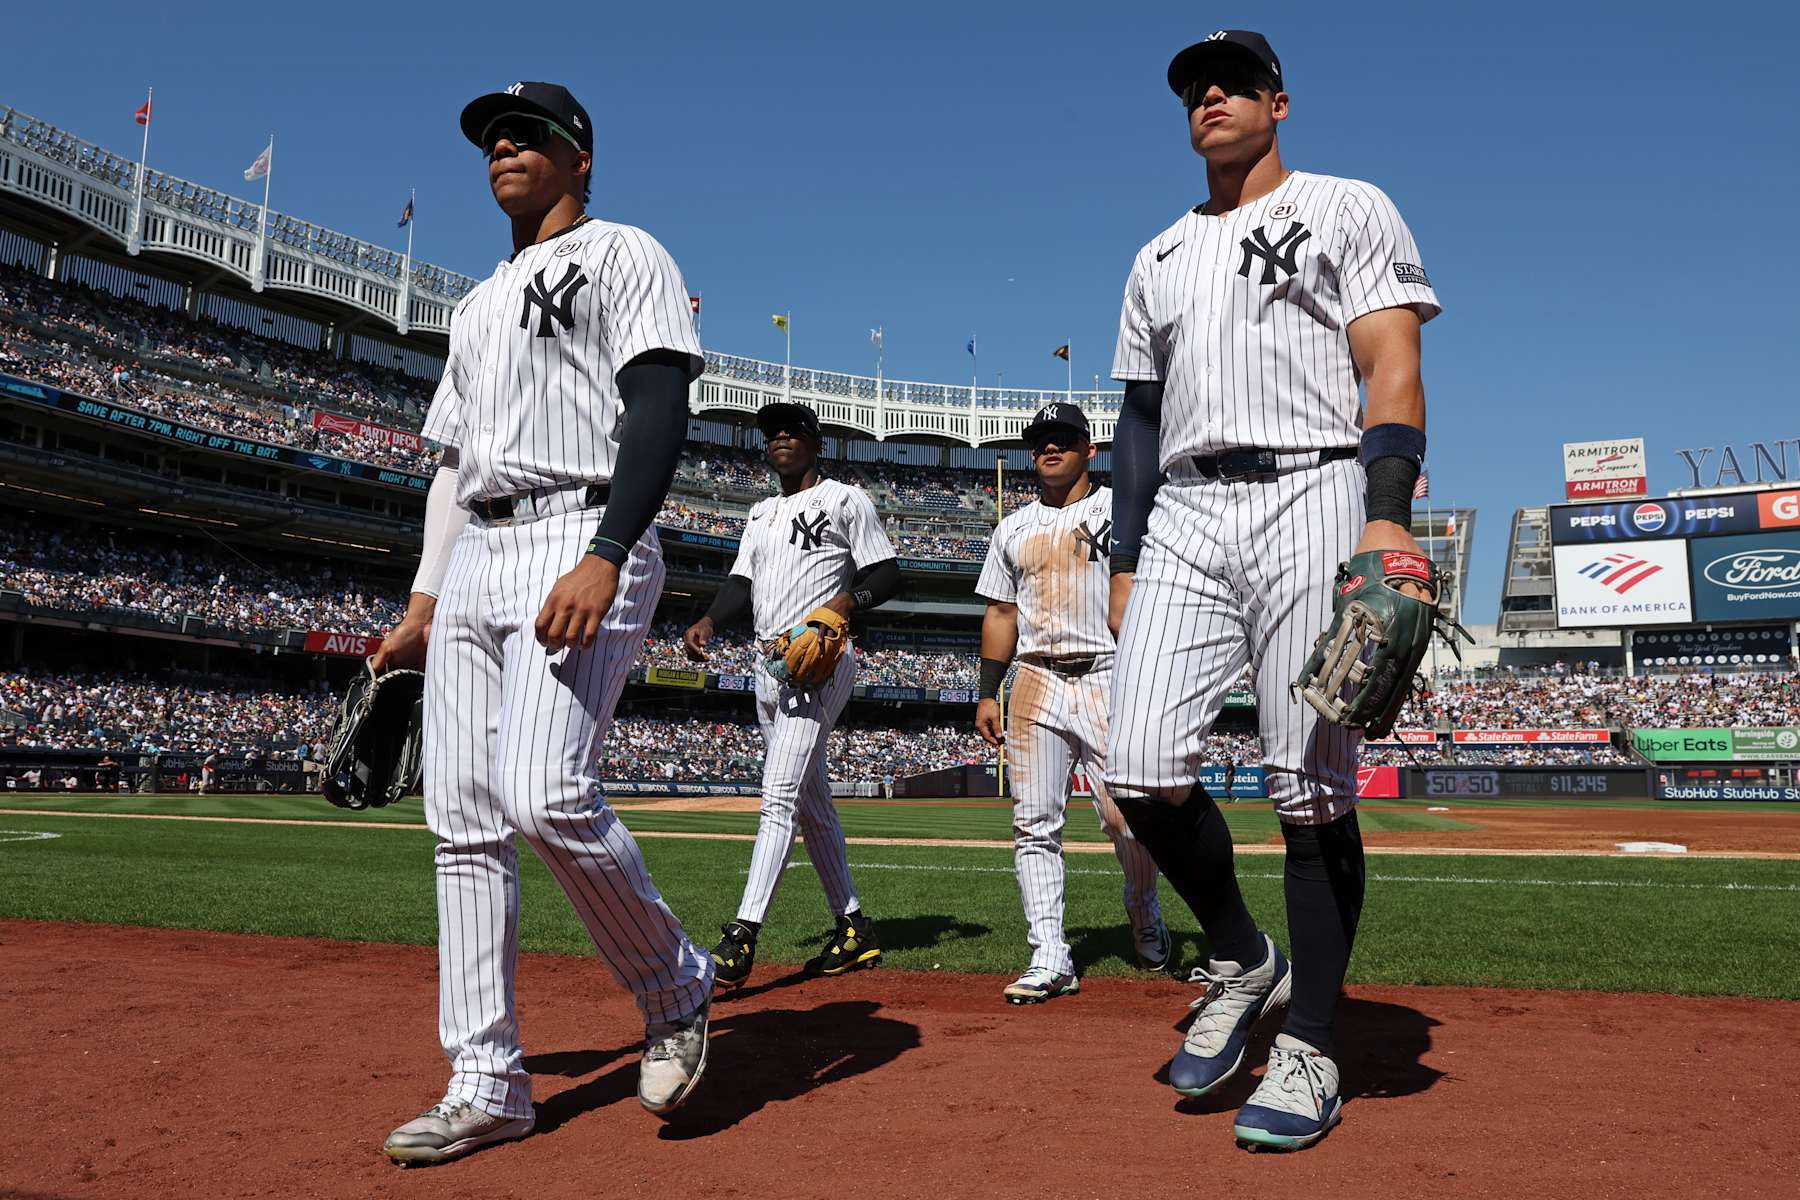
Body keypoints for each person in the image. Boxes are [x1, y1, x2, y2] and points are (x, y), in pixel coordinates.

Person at [1105, 31, 1441, 1151]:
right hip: (1189, 511)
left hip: (1313, 486)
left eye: (1235, 82)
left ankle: (1311, 1042)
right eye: (1194, 87)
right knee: (1141, 765)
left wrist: (1385, 509)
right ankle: (1246, 955)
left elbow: (1390, 359)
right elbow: (1141, 423)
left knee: (1309, 785)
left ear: (1279, 102)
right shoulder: (1155, 254)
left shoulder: (1348, 205)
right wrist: (1125, 554)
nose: (1210, 95)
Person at [371, 81, 715, 1166]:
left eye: (529, 135)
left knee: (546, 790)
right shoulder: (475, 306)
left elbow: (659, 403)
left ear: (582, 157)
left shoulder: (624, 253)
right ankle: (486, 1081)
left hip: (579, 530)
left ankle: (674, 980)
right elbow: (448, 470)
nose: (505, 148)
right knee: (462, 825)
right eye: (492, 140)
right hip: (478, 551)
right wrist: (425, 602)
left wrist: (607, 553)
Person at [683, 401, 901, 991]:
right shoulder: (759, 513)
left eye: (792, 430)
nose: (780, 437)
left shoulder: (844, 499)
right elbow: (741, 582)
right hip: (765, 664)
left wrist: (844, 605)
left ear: (814, 441)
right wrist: (708, 619)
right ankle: (854, 928)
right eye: (771, 432)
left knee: (777, 796)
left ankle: (742, 934)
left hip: (818, 661)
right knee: (811, 802)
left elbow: (885, 572)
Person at [973, 402, 1167, 1004]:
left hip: (1110, 672)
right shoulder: (1013, 527)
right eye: (1039, 442)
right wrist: (986, 690)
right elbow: (1002, 612)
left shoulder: (1121, 509)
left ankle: (1143, 907)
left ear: (1089, 448)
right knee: (1033, 823)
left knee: (1125, 816)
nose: (1049, 449)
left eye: (1062, 439)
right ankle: (1049, 953)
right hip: (1034, 678)